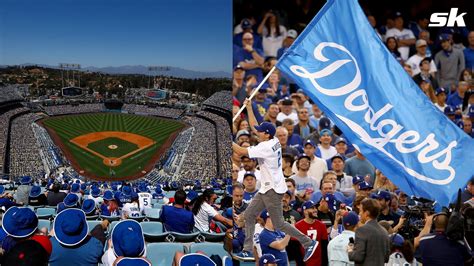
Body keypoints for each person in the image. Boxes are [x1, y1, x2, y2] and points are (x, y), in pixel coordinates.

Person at [233, 99, 317, 262]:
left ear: (266, 134)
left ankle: (308, 242)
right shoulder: (273, 141)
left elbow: (241, 150)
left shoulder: (265, 147)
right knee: (250, 215)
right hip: (268, 187)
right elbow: (255, 126)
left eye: (260, 132)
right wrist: (249, 108)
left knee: (279, 224)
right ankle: (248, 250)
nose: (257, 132)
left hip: (272, 190)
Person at [347, 198, 390, 265]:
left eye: (361, 211)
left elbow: (358, 257)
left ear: (366, 213)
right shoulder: (384, 231)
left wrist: (350, 250)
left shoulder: (362, 230)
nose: (359, 214)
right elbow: (386, 258)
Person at [295, 201, 329, 266]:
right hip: (304, 263)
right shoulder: (297, 226)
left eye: (315, 208)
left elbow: (324, 246)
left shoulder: (321, 225)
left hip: (319, 263)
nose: (315, 210)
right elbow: (296, 249)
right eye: (312, 208)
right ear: (305, 211)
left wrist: (324, 263)